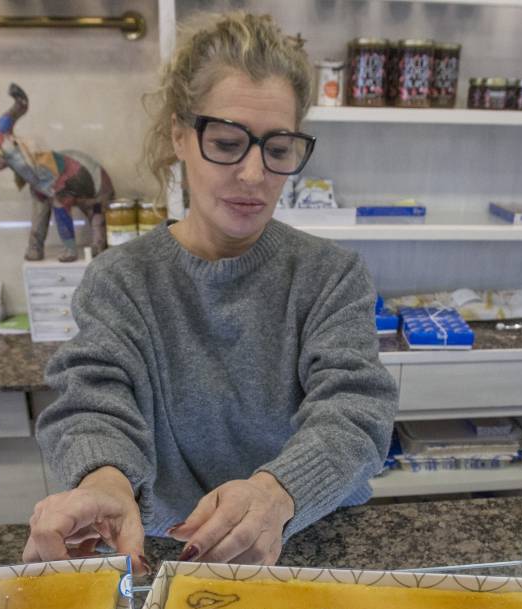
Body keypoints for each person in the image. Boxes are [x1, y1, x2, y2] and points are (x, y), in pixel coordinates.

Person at [24, 12, 398, 570]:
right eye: (226, 143)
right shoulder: (121, 279)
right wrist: (105, 480)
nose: (253, 175)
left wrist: (277, 493)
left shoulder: (330, 275)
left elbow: (354, 410)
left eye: (278, 149)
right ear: (180, 136)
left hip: (304, 530)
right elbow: (94, 400)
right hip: (166, 546)